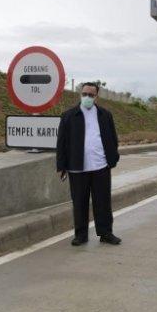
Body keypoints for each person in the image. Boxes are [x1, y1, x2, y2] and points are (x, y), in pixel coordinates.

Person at [56, 82, 122, 246]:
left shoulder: (105, 115)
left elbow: (113, 139)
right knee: (79, 202)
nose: (87, 97)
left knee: (103, 202)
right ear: (80, 94)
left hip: (101, 166)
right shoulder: (69, 115)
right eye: (84, 94)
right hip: (77, 167)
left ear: (96, 96)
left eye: (91, 95)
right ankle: (81, 235)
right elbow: (61, 142)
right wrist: (61, 166)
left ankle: (106, 233)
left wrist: (112, 159)